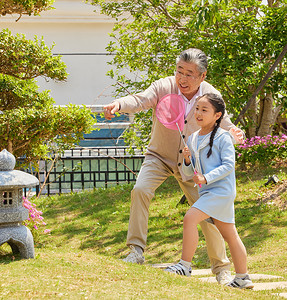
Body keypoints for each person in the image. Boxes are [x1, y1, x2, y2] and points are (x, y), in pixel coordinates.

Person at [103, 48, 244, 285]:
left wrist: (234, 133)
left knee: (208, 213)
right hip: (159, 156)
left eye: (190, 74)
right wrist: (118, 104)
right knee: (140, 190)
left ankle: (221, 268)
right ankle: (136, 251)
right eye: (180, 71)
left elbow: (224, 123)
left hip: (193, 164)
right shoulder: (164, 86)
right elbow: (140, 99)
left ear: (202, 76)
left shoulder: (210, 94)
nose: (183, 78)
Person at [164, 93, 253, 289]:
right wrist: (187, 160)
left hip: (220, 192)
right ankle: (243, 278)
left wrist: (207, 177)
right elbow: (190, 172)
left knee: (190, 218)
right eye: (197, 109)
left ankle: (185, 266)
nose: (198, 113)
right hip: (208, 192)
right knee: (230, 234)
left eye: (205, 110)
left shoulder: (223, 137)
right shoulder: (194, 138)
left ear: (217, 115)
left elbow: (229, 166)